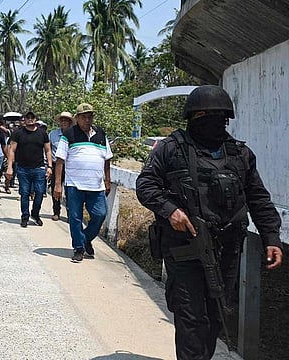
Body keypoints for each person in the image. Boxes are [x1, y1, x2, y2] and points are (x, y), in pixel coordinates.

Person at [135, 85, 283, 359]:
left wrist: (271, 238)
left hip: (227, 249)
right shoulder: (171, 149)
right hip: (185, 249)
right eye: (207, 116)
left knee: (217, 314)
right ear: (193, 117)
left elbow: (258, 197)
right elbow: (145, 185)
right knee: (191, 317)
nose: (214, 123)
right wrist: (171, 211)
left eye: (220, 117)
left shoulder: (240, 154)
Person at [54, 103, 113, 262]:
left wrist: (108, 180)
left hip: (96, 185)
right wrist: (57, 185)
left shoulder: (101, 134)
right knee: (75, 217)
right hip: (74, 185)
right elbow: (60, 160)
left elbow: (107, 159)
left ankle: (85, 239)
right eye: (84, 117)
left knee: (100, 214)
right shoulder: (69, 134)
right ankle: (79, 248)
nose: (87, 120)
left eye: (90, 116)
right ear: (77, 118)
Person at [6, 111, 52, 227]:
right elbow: (12, 150)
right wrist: (10, 167)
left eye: (32, 117)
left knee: (40, 192)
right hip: (23, 168)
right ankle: (25, 216)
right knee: (25, 193)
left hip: (39, 168)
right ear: (24, 119)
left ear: (35, 119)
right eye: (28, 117)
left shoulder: (42, 133)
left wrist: (50, 166)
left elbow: (48, 150)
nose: (30, 119)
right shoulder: (18, 133)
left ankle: (35, 214)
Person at [48, 111, 73, 221]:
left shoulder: (74, 134)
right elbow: (47, 150)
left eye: (66, 120)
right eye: (62, 120)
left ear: (70, 122)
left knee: (70, 191)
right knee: (55, 188)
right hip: (55, 165)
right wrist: (48, 166)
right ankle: (56, 211)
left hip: (70, 166)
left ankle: (70, 214)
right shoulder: (52, 134)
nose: (63, 122)